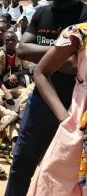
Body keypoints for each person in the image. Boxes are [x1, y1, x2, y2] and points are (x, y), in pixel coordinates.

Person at [5, 0, 87, 196]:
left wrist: (50, 57)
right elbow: (20, 49)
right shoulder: (41, 13)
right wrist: (62, 53)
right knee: (21, 163)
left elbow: (77, 66)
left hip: (75, 106)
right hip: (40, 102)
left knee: (63, 171)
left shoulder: (84, 14)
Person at [28, 23, 87, 195]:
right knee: (54, 184)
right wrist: (65, 119)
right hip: (78, 129)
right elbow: (41, 72)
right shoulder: (80, 33)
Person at [0, 31, 33, 117]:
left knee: (27, 95)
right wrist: (6, 91)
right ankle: (6, 117)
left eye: (13, 40)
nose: (10, 42)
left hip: (18, 85)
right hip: (2, 86)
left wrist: (16, 74)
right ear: (3, 41)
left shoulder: (20, 53)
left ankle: (21, 117)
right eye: (7, 40)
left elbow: (27, 70)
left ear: (17, 41)